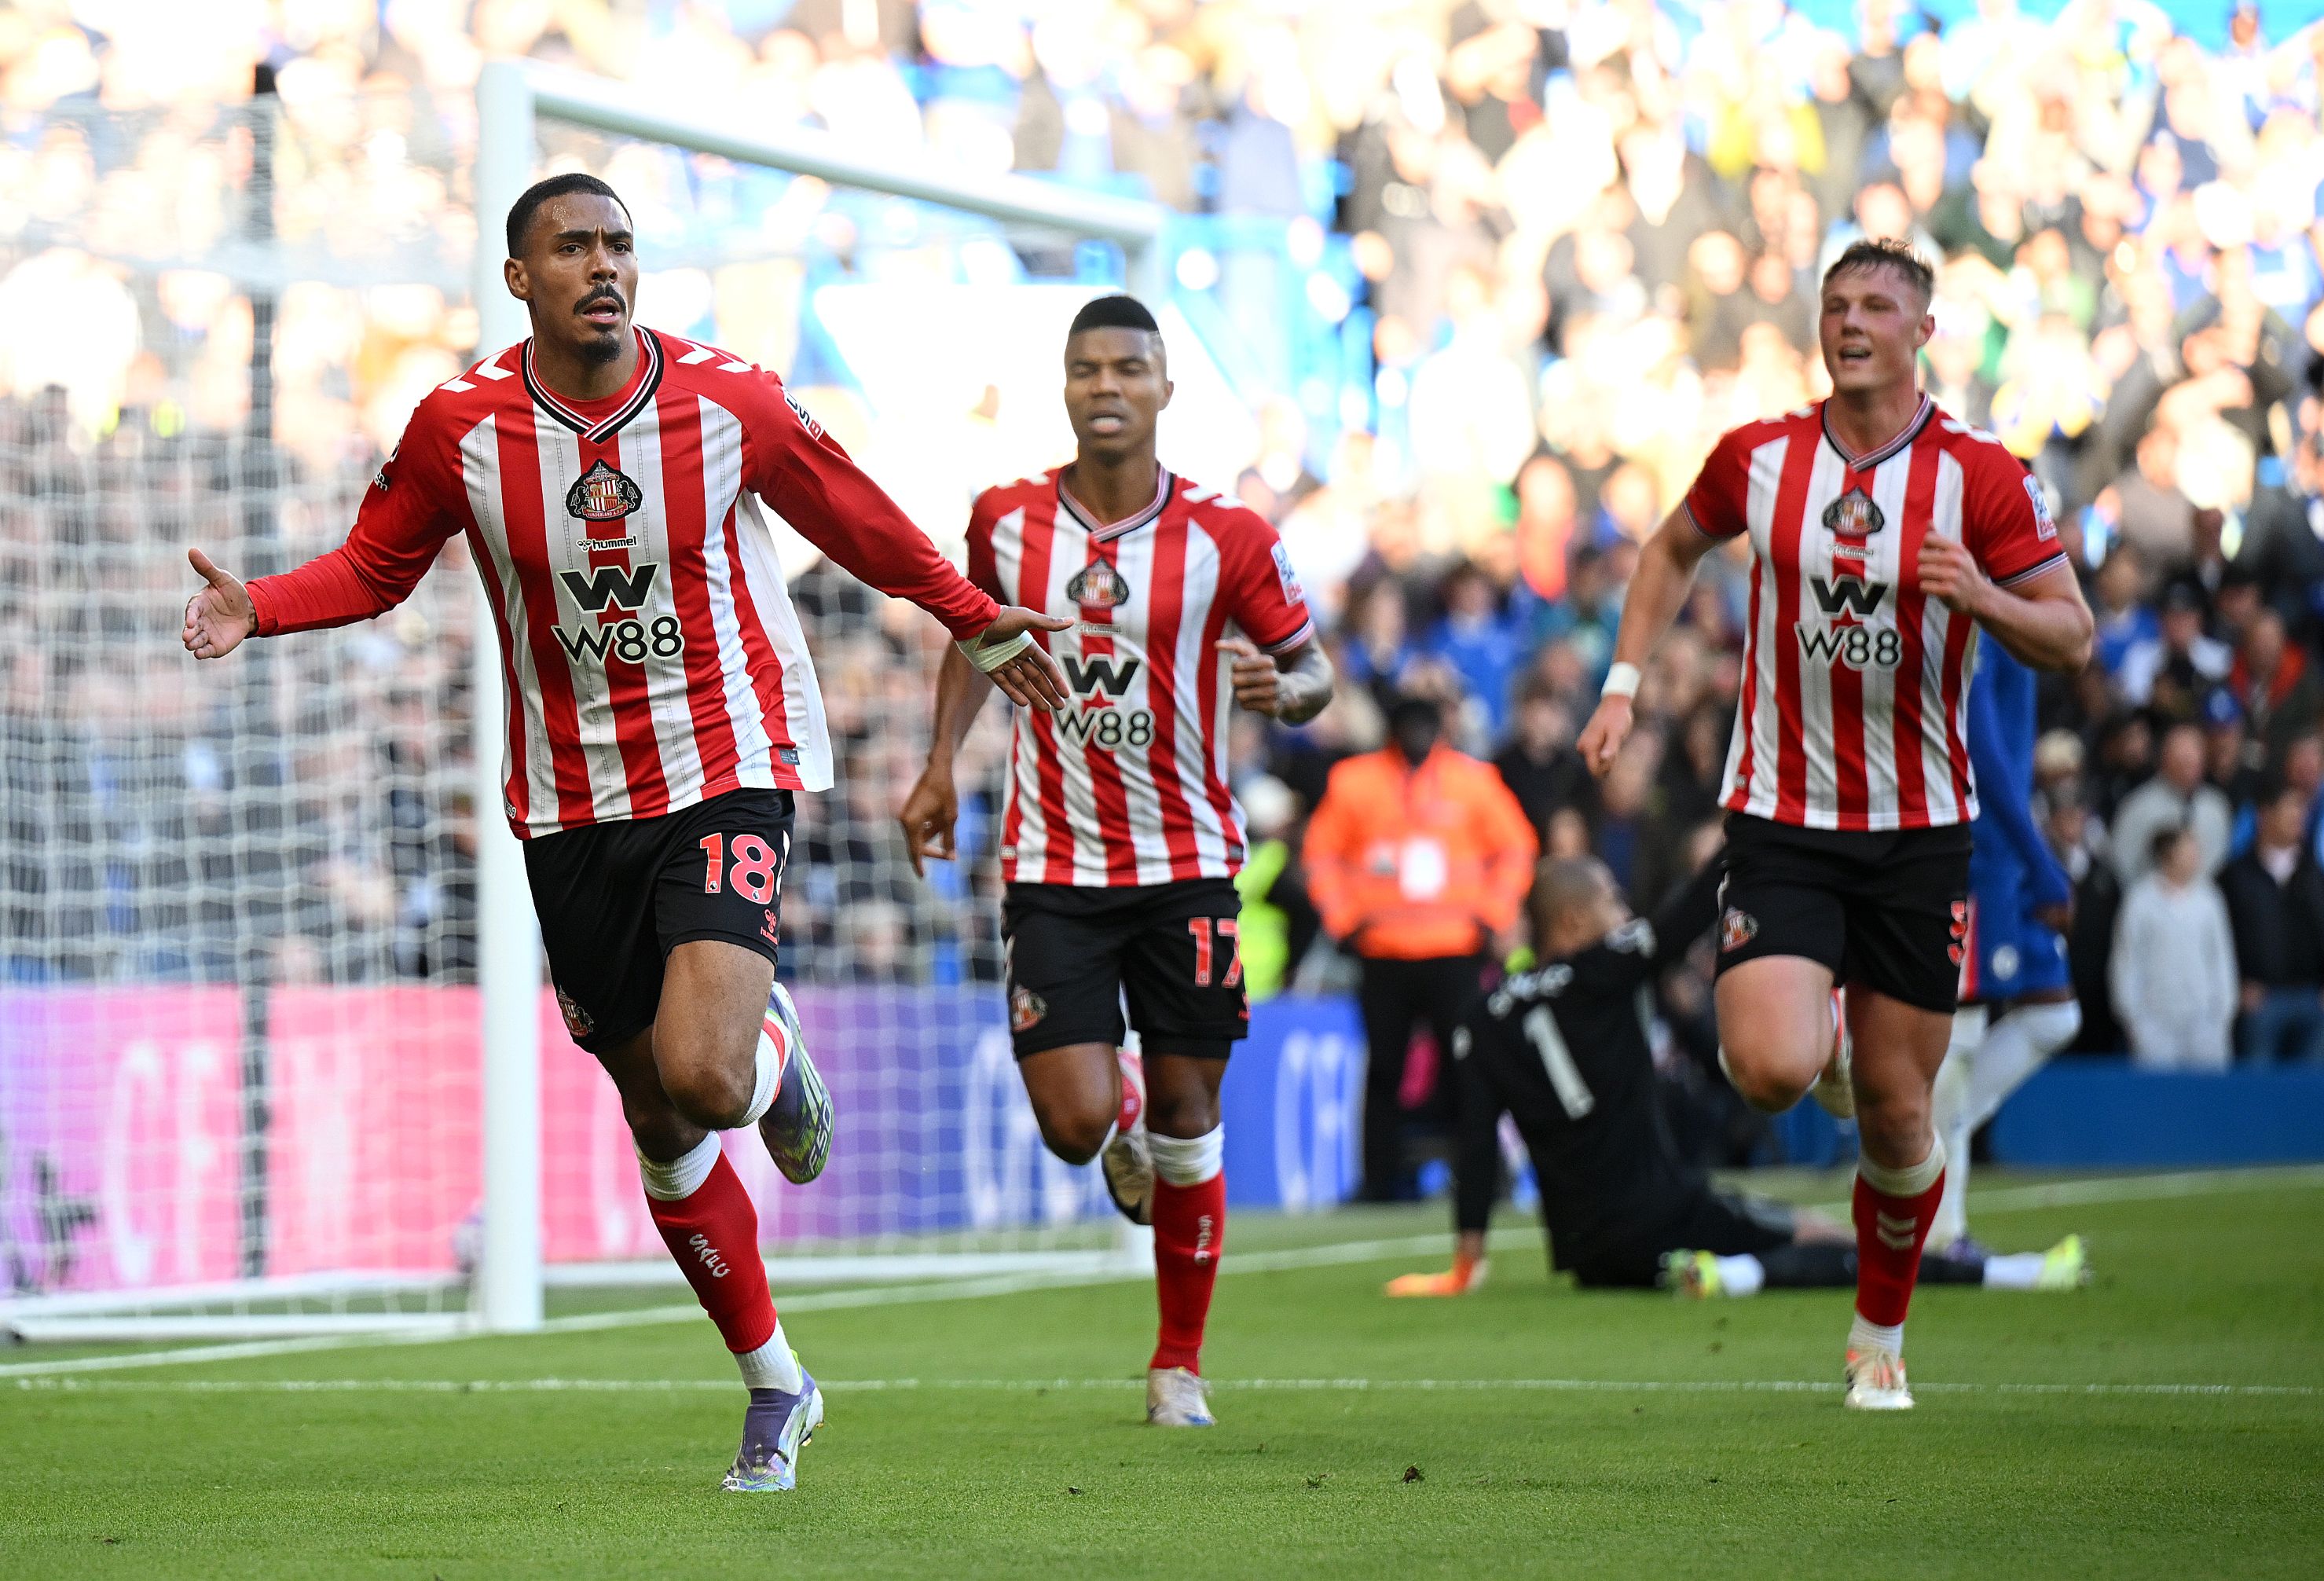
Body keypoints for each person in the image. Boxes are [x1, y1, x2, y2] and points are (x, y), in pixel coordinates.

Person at [181, 174, 1070, 1493]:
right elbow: (378, 566)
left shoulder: (732, 401)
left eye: (619, 245)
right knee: (656, 1113)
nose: (603, 266)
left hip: (725, 760)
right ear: (519, 277)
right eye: (572, 247)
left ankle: (768, 1057)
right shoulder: (462, 427)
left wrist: (970, 612)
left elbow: (858, 516)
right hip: (565, 803)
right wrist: (262, 602)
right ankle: (777, 1381)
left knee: (706, 1074)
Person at [1576, 238, 2095, 1410]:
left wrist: (1982, 595)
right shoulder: (1760, 458)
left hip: (1920, 832)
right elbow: (1668, 549)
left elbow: (2071, 635)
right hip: (1782, 815)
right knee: (1766, 1067)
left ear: (1923, 330)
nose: (1850, 320)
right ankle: (1819, 1055)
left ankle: (1879, 1331)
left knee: (1904, 1122)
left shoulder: (1980, 476)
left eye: (1876, 304)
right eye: (1835, 304)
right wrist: (1621, 681)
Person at [896, 294, 1334, 1431]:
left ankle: (1176, 1364)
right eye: (1086, 368)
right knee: (1074, 1126)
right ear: (1065, 386)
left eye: (1127, 368)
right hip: (1052, 864)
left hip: (1187, 864)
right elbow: (972, 633)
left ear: (1163, 391)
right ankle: (1117, 1101)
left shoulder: (1229, 537)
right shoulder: (1002, 519)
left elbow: (1312, 669)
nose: (1106, 386)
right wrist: (942, 762)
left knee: (1191, 1121)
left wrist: (1283, 692)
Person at [1382, 853, 2087, 1300]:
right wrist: (1759, 835)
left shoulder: (1482, 1017)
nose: (1622, 911)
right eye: (1609, 899)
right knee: (1828, 1239)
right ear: (1572, 920)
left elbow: (1475, 1146)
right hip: (1661, 1209)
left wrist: (1465, 1265)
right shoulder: (1602, 969)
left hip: (1588, 1254)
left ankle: (1727, 1271)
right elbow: (1686, 914)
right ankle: (1998, 1274)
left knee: (1774, 1230)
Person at [1302, 689, 1538, 1202]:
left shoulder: (1473, 781)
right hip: (1383, 949)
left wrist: (1491, 915)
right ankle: (1379, 1183)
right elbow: (1320, 855)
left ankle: (1483, 1176)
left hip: (1454, 947)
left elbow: (1516, 847)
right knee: (1384, 1070)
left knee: (1466, 1066)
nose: (1417, 737)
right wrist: (1345, 920)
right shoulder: (1355, 782)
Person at [1930, 640, 2084, 1256]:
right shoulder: (1982, 611)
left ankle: (1932, 1132)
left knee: (2053, 1012)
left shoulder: (2008, 611)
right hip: (1979, 856)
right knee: (1958, 1040)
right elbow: (1980, 746)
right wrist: (2039, 858)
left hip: (2001, 856)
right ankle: (1944, 1230)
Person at [2110, 826, 2238, 1070]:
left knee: (2208, 1096)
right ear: (2168, 854)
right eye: (2188, 849)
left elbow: (2221, 958)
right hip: (2155, 1021)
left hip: (2204, 1020)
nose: (2196, 856)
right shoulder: (2140, 900)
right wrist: (2133, 1017)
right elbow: (2127, 960)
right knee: (2158, 1097)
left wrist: (2223, 1012)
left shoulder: (2209, 899)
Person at [2217, 782, 2324, 1062]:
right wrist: (2237, 986)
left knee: (2311, 1096)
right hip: (2261, 1002)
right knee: (2257, 1095)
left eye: (2301, 810)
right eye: (2290, 809)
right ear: (2265, 815)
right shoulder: (2235, 876)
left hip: (2312, 999)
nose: (2298, 817)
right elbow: (2221, 939)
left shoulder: (2314, 873)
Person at [2110, 720, 2234, 886]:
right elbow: (2122, 865)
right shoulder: (2137, 807)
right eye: (2182, 757)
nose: (2189, 763)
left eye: (2194, 756)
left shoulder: (2217, 807)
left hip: (2201, 901)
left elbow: (2219, 861)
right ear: (2164, 759)